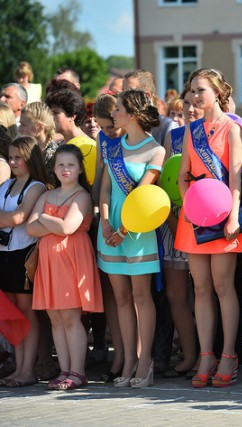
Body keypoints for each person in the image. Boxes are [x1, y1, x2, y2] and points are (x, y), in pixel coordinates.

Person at [175, 68, 242, 388]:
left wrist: (233, 216)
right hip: (194, 218)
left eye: (200, 90)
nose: (194, 96)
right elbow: (182, 176)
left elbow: (235, 179)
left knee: (223, 287)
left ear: (217, 92)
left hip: (224, 218)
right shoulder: (191, 131)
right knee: (201, 288)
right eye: (192, 91)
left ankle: (229, 355)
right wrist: (188, 204)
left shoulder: (233, 129)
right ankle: (206, 354)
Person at [97, 89, 165, 389]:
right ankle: (127, 360)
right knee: (121, 298)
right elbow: (106, 190)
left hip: (137, 233)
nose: (114, 115)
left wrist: (123, 229)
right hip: (110, 231)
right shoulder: (112, 147)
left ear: (133, 114)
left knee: (141, 297)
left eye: (119, 109)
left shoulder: (155, 150)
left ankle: (144, 360)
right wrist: (106, 224)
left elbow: (142, 194)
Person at [27, 144, 103, 390]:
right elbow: (30, 227)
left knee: (70, 317)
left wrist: (45, 219)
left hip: (71, 261)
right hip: (49, 263)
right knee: (56, 318)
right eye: (60, 164)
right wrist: (52, 223)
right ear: (54, 168)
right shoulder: (47, 194)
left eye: (71, 164)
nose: (65, 169)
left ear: (80, 168)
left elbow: (67, 228)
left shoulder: (81, 196)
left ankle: (78, 371)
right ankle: (65, 371)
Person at [0, 136, 48, 387]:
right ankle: (19, 368)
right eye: (10, 156)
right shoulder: (6, 186)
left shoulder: (36, 186)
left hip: (24, 255)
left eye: (19, 157)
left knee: (27, 314)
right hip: (4, 254)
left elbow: (19, 218)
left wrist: (9, 217)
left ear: (30, 159)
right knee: (13, 316)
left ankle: (28, 369)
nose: (13, 161)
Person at [157, 87, 197, 380]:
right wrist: (172, 216)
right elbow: (168, 180)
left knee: (208, 293)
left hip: (206, 221)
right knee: (175, 294)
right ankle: (189, 352)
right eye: (185, 107)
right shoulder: (174, 136)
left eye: (195, 104)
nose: (189, 111)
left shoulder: (219, 132)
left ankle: (212, 353)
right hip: (175, 221)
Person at [92, 93, 125, 383]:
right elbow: (101, 181)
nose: (107, 133)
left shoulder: (138, 139)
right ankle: (120, 353)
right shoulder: (104, 140)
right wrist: (102, 219)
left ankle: (137, 356)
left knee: (136, 295)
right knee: (113, 295)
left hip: (132, 221)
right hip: (107, 218)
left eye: (110, 127)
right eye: (102, 128)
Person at [18, 102, 59, 184]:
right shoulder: (25, 148)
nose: (19, 129)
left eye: (23, 125)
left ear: (39, 127)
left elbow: (50, 186)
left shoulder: (53, 155)